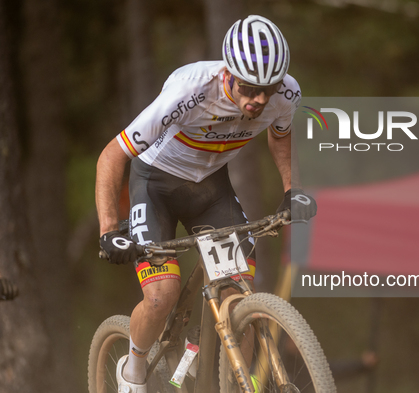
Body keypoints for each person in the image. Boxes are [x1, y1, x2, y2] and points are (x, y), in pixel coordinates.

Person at [95, 15, 317, 393]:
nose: (260, 99)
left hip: (209, 188)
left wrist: (291, 188)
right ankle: (132, 372)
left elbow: (280, 136)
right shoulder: (189, 92)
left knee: (238, 291)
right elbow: (112, 156)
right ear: (227, 73)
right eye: (249, 87)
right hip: (156, 185)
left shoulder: (286, 94)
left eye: (269, 87)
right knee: (161, 295)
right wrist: (108, 230)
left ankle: (235, 383)